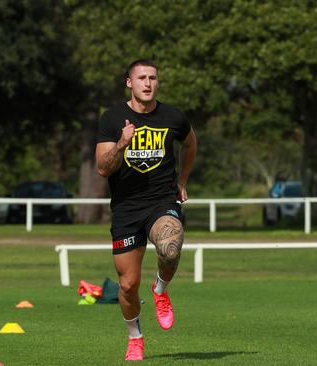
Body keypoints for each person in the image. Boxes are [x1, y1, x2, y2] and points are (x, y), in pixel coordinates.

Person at [95, 59, 197, 361]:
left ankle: (161, 290)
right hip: (126, 209)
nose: (148, 83)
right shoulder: (112, 119)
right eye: (142, 78)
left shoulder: (173, 117)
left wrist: (182, 182)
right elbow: (102, 168)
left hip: (161, 201)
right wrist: (122, 143)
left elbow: (191, 145)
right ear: (130, 82)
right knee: (127, 285)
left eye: (153, 78)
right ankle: (135, 336)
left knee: (170, 246)